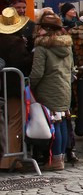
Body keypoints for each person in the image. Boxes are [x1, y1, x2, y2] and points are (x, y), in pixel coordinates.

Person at [29, 14, 75, 170]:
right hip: (63, 88)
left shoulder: (42, 48)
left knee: (53, 125)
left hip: (47, 89)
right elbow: (71, 68)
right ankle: (60, 157)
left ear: (45, 29)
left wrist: (31, 87)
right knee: (61, 123)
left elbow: (37, 73)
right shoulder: (67, 46)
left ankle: (55, 161)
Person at [0, 9, 31, 170]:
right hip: (13, 86)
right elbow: (21, 63)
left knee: (6, 121)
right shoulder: (16, 42)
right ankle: (9, 159)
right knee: (15, 122)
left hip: (4, 86)